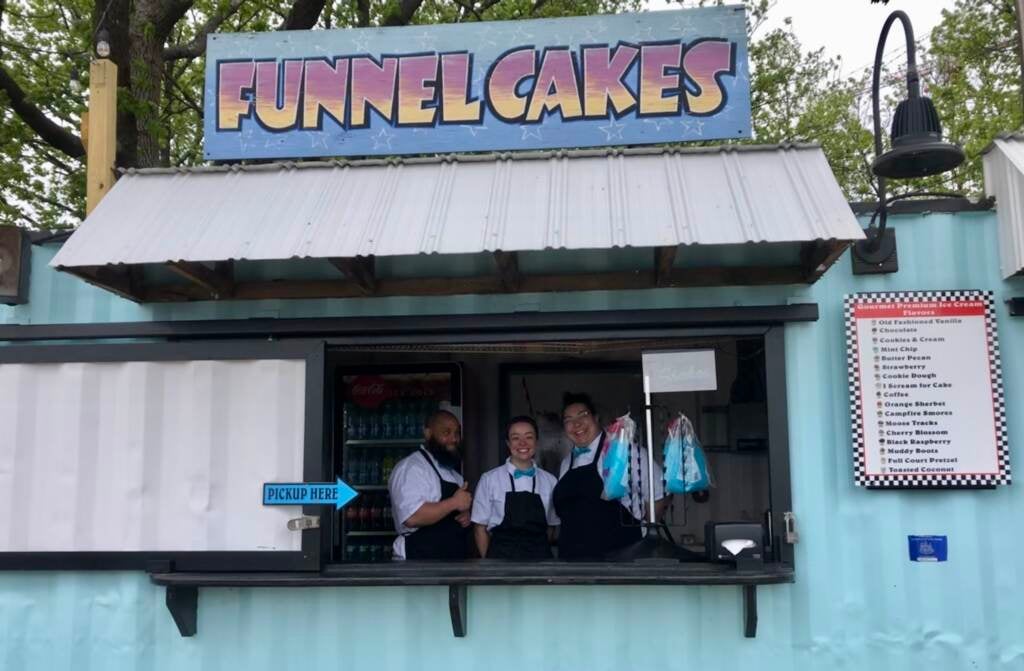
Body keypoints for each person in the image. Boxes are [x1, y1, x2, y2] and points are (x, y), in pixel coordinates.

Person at [552, 392, 669, 560]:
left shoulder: (624, 452)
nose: (576, 424)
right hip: (572, 562)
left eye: (582, 415)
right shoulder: (566, 462)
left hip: (619, 560)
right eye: (568, 420)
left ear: (596, 418)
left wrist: (642, 532)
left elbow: (658, 494)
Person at [387, 410, 472, 560]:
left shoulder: (454, 474)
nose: (454, 438)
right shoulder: (412, 468)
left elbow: (453, 514)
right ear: (428, 433)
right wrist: (454, 503)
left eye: (457, 433)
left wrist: (465, 516)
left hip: (451, 560)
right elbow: (412, 517)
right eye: (446, 432)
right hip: (418, 559)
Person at [471, 416, 559, 560]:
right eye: (515, 438)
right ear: (507, 443)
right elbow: (480, 529)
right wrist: (490, 565)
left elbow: (551, 527)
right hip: (500, 559)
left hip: (540, 560)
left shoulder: (550, 481)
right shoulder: (489, 479)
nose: (522, 443)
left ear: (536, 442)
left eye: (529, 437)